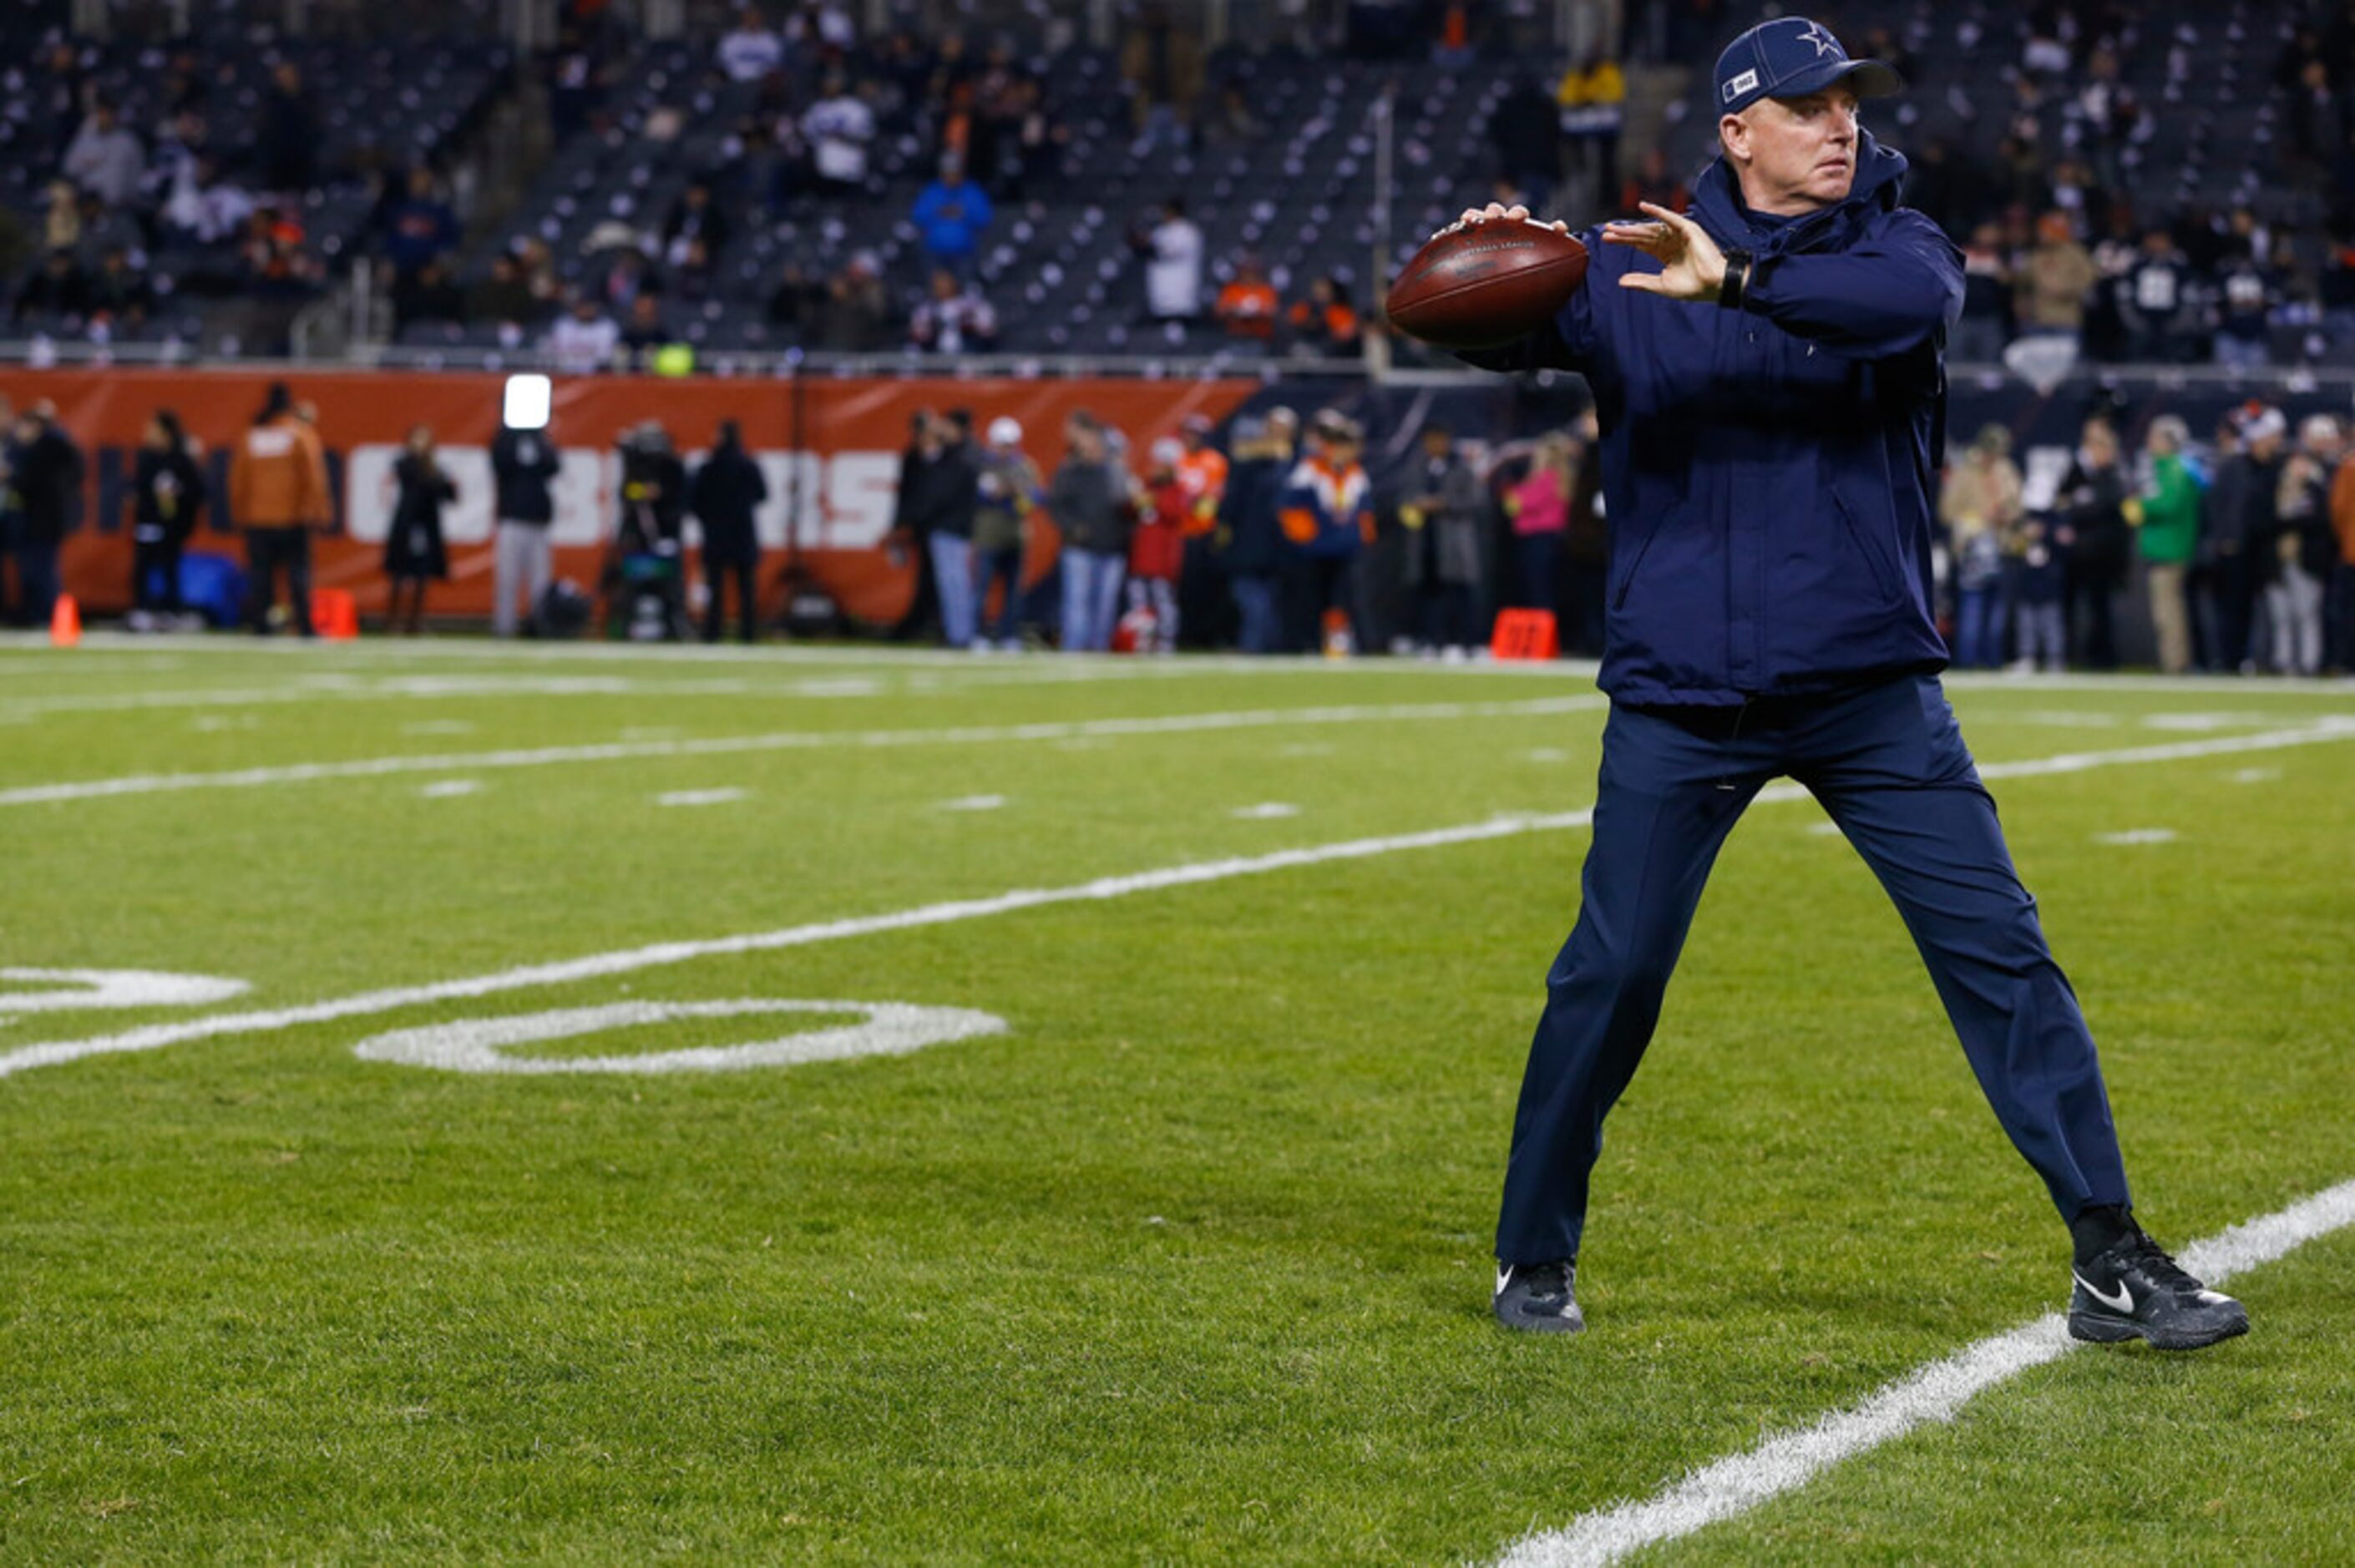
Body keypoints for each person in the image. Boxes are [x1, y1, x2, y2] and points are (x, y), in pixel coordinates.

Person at [1452, 17, 2246, 1348]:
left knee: (2002, 954)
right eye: (1810, 107)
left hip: (1868, 685)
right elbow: (1477, 328)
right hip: (1683, 689)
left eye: (1850, 105)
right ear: (1737, 131)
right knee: (1611, 975)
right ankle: (1533, 1250)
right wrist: (1486, 256)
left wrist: (1740, 287)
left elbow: (1906, 310)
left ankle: (2110, 1257)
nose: (1841, 127)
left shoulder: (1899, 247)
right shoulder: (1621, 268)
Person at [229, 381, 328, 636]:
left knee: (260, 575)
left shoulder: (252, 437)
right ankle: (305, 626)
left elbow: (238, 481)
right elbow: (314, 478)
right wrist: (317, 512)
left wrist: (241, 514)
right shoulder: (300, 435)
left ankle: (261, 626)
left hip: (258, 518)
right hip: (293, 518)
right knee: (298, 575)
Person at [1276, 409, 1374, 655]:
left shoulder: (1356, 473)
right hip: (1315, 549)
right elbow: (1290, 506)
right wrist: (1307, 537)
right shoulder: (1310, 469)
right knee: (1311, 598)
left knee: (1344, 598)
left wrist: (1362, 536)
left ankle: (1342, 643)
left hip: (1346, 547)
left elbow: (1364, 511)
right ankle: (1308, 643)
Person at [1397, 422, 1486, 659]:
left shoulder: (1462, 467)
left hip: (1453, 543)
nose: (1435, 445)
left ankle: (1465, 642)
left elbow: (1476, 500)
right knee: (1427, 595)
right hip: (1424, 542)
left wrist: (1443, 503)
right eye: (1430, 440)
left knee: (1459, 595)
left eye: (1440, 439)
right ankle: (1430, 641)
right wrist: (1416, 504)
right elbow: (1403, 496)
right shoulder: (1417, 466)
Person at [1938, 424, 2023, 670]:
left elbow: (2019, 506)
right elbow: (1947, 511)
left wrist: (2009, 515)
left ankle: (1993, 661)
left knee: (1998, 610)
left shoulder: (2006, 471)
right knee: (1972, 607)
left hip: (2002, 546)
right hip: (1973, 550)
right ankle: (1968, 662)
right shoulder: (1965, 473)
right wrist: (1980, 517)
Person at [1047, 412, 1129, 652]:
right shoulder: (1069, 471)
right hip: (1079, 546)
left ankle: (1099, 647)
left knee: (1104, 604)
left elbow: (1125, 506)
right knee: (1077, 601)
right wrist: (1072, 527)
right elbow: (1056, 505)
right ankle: (1074, 647)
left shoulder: (1115, 472)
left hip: (1111, 545)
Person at [2054, 418, 2130, 670]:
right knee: (2075, 608)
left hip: (2103, 556)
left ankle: (2103, 658)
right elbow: (2063, 501)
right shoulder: (2081, 471)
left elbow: (2101, 508)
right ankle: (2072, 656)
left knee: (2101, 609)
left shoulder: (2114, 475)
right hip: (2080, 555)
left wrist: (2080, 507)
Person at [2265, 414, 2339, 675]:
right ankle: (2284, 662)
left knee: (2308, 614)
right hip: (2281, 555)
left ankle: (2309, 663)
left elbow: (2322, 517)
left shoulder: (2325, 477)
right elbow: (2271, 517)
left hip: (2309, 556)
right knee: (2281, 616)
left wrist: (2292, 519)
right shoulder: (2278, 478)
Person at [1216, 409, 1293, 654]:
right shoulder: (1283, 467)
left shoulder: (1250, 469)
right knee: (1261, 603)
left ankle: (1255, 648)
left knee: (1257, 604)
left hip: (1256, 549)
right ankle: (1263, 648)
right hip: (1268, 549)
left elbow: (1228, 509)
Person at [2130, 416, 2201, 675]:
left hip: (2171, 550)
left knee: (2167, 613)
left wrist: (2141, 506)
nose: (2150, 442)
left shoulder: (2175, 469)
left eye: (2155, 437)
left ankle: (2175, 664)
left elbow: (2168, 504)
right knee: (2168, 611)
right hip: (2165, 549)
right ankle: (2174, 661)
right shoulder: (2168, 468)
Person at [691, 419, 769, 644]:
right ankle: (748, 633)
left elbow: (694, 501)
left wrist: (710, 518)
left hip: (716, 535)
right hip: (743, 534)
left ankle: (712, 632)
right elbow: (762, 495)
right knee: (746, 589)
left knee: (715, 588)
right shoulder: (749, 465)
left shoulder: (709, 466)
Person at [129, 411, 205, 626]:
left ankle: (170, 611)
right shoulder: (146, 458)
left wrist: (178, 493)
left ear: (166, 433)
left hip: (171, 526)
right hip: (147, 523)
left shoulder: (181, 460)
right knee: (142, 568)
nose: (148, 434)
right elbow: (138, 488)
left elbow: (198, 491)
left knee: (169, 569)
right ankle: (142, 609)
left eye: (153, 430)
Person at [9, 401, 82, 627]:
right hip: (38, 521)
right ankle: (38, 614)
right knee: (36, 570)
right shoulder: (39, 449)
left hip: (43, 522)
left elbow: (27, 483)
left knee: (42, 570)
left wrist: (9, 476)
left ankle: (47, 614)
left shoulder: (46, 449)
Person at [972, 417, 1042, 651]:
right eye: (1001, 444)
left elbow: (1034, 499)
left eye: (1009, 444)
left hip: (1015, 537)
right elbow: (977, 497)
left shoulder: (1024, 466)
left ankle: (1009, 635)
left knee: (1013, 592)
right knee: (982, 589)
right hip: (988, 536)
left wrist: (1012, 497)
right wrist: (1005, 494)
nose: (1005, 449)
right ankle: (979, 634)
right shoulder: (983, 465)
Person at [490, 412, 561, 638]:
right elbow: (500, 463)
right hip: (511, 518)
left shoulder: (541, 440)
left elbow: (553, 465)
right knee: (507, 578)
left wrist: (538, 439)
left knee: (540, 579)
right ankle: (504, 627)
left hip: (537, 519)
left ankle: (540, 625)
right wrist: (511, 435)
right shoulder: (504, 439)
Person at [382, 426, 454, 635]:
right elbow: (417, 480)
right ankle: (393, 619)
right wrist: (434, 474)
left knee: (422, 575)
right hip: (407, 524)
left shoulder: (436, 468)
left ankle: (415, 620)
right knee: (400, 573)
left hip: (426, 525)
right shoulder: (406, 463)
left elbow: (447, 494)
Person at [1127, 438, 1188, 652]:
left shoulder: (1177, 490)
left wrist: (1153, 500)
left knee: (1164, 604)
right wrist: (1132, 499)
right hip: (1140, 558)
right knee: (1139, 605)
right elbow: (1129, 512)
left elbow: (1176, 513)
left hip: (1162, 560)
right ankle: (1141, 642)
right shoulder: (1146, 486)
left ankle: (1165, 642)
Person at [1504, 431, 1573, 618]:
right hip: (1548, 539)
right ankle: (1544, 635)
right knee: (1542, 588)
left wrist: (1512, 493)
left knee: (1538, 590)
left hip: (1538, 539)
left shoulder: (1546, 479)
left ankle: (1541, 637)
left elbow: (1517, 503)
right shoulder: (1562, 478)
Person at [910, 157, 994, 276]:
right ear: (942, 174)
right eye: (948, 173)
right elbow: (917, 216)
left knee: (964, 290)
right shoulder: (932, 191)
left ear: (961, 173)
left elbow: (985, 218)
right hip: (934, 252)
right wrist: (938, 212)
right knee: (936, 289)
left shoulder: (972, 191)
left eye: (954, 173)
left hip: (965, 252)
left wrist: (964, 214)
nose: (951, 177)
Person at [1131, 197, 1203, 322]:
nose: (1162, 214)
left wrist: (1146, 244)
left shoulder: (1187, 232)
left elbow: (1170, 252)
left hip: (1182, 301)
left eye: (1165, 211)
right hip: (1159, 299)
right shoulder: (1160, 232)